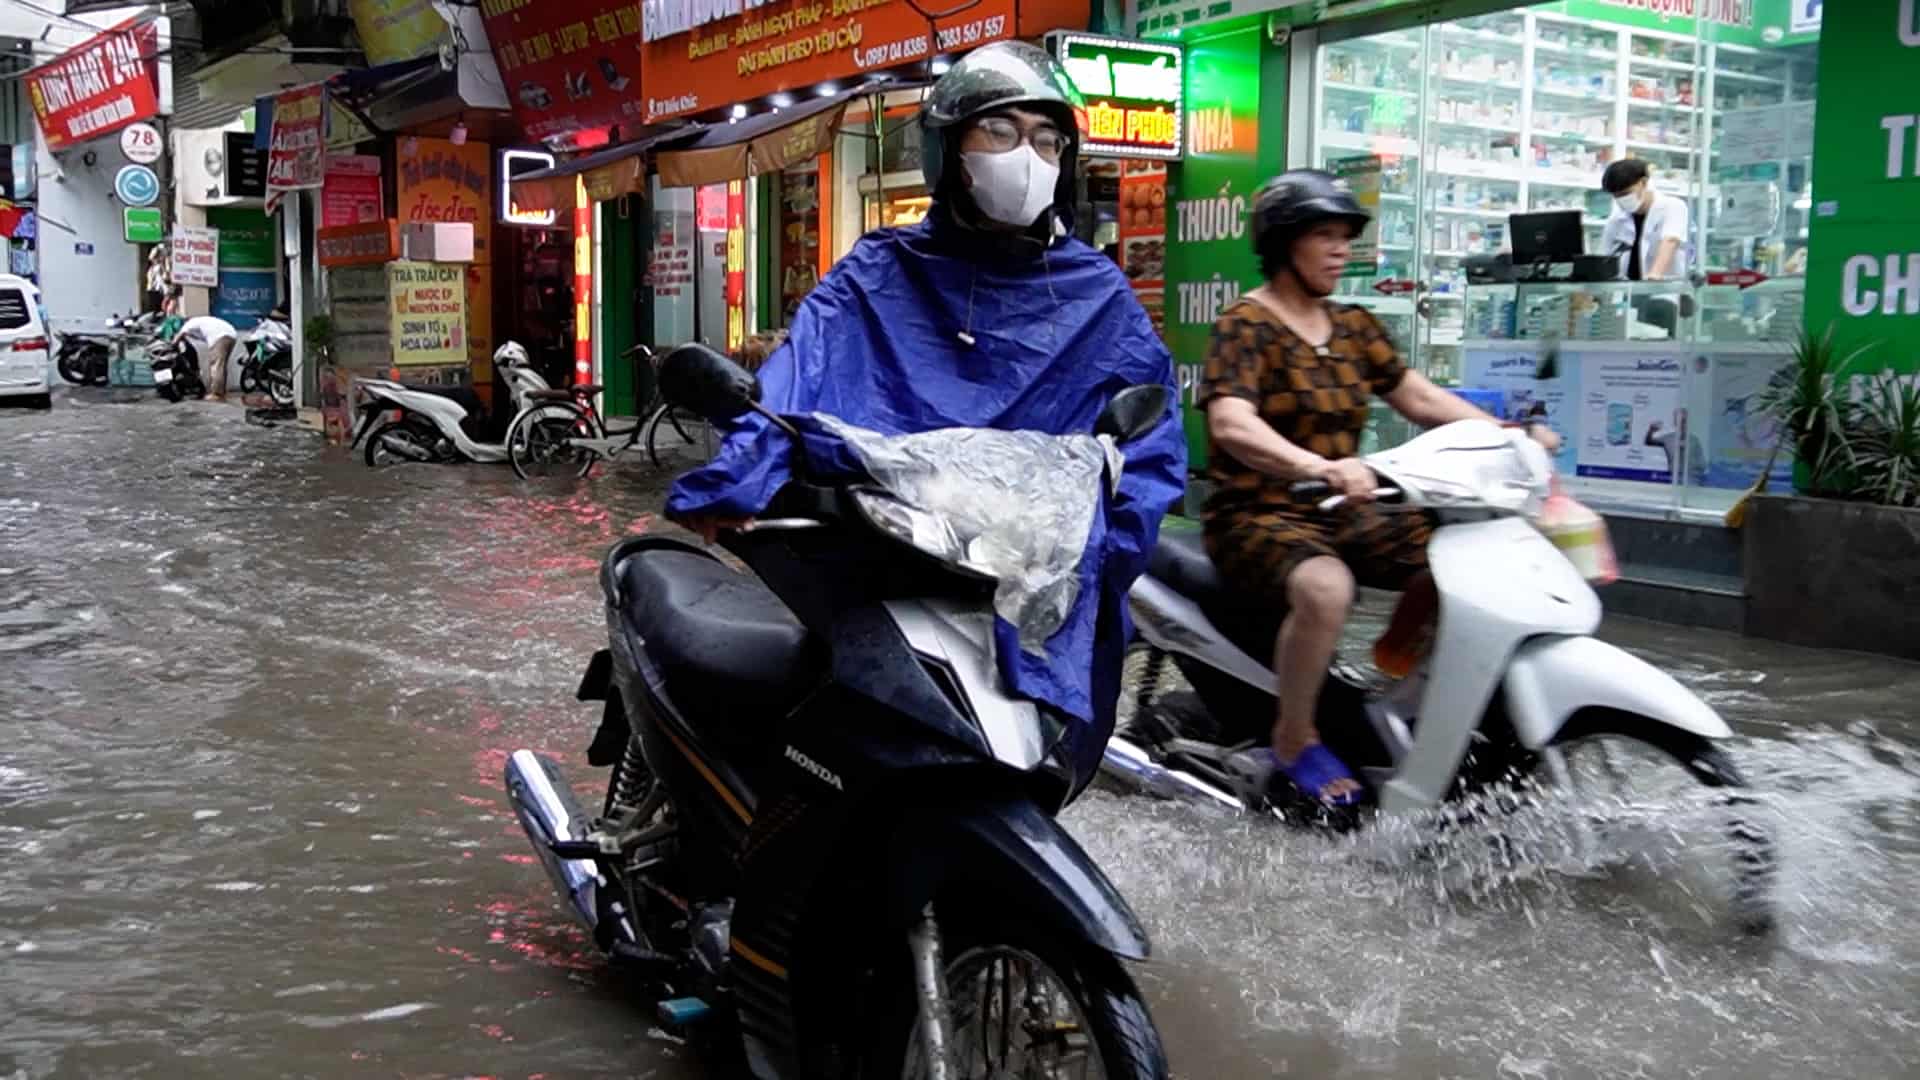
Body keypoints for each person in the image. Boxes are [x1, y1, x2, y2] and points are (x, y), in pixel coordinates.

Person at [665, 41, 1186, 792]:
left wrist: (1100, 543)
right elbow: (794, 380)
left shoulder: (1097, 294)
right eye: (1000, 132)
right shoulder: (879, 272)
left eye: (1047, 140)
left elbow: (1150, 440)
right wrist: (737, 479)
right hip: (888, 552)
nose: (1027, 156)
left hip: (1016, 576)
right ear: (950, 151)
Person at [1200, 169, 1559, 810]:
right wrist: (1318, 465)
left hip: (1346, 504)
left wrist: (1509, 436)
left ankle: (1407, 692)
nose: (1341, 250)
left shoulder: (1353, 326)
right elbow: (1232, 423)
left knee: (1460, 560)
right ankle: (1294, 736)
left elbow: (1418, 398)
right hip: (1257, 511)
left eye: (1346, 237)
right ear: (1283, 243)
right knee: (1326, 588)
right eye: (1324, 236)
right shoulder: (1245, 323)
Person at [1601, 158, 1692, 335]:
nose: (1621, 200)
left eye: (1625, 193)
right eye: (1616, 196)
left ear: (1643, 183)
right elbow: (1605, 256)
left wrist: (1655, 275)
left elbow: (1670, 240)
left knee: (1657, 318)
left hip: (1662, 294)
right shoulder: (1616, 220)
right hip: (1626, 295)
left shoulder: (1672, 207)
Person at [174, 313, 237, 402]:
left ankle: (216, 394)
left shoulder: (190, 323)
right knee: (221, 366)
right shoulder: (201, 322)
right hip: (231, 335)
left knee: (216, 366)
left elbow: (180, 335)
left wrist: (172, 345)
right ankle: (222, 391)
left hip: (220, 337)